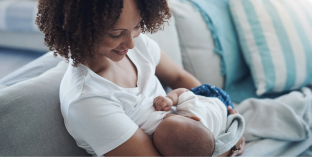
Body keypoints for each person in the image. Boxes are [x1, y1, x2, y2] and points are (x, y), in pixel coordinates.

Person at [36, 0, 243, 156]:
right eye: (116, 34)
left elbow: (180, 78)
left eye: (136, 26)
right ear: (79, 30)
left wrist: (224, 113)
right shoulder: (87, 100)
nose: (131, 44)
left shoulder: (137, 46)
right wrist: (227, 145)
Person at [152, 85, 245, 156]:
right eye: (168, 118)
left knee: (193, 93)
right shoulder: (210, 146)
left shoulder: (192, 108)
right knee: (188, 95)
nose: (164, 116)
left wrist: (170, 99)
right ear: (192, 118)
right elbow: (183, 92)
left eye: (167, 117)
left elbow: (182, 92)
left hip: (214, 99)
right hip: (223, 105)